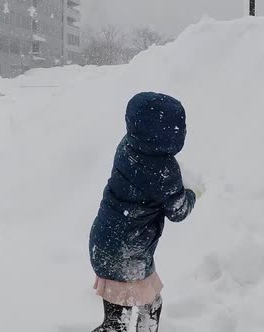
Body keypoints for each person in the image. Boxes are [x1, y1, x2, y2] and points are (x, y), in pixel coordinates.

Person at [89, 92, 198, 332]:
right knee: (151, 306)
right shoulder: (164, 171)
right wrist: (192, 193)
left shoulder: (127, 145)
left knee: (116, 318)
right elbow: (178, 211)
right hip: (132, 252)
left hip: (105, 241)